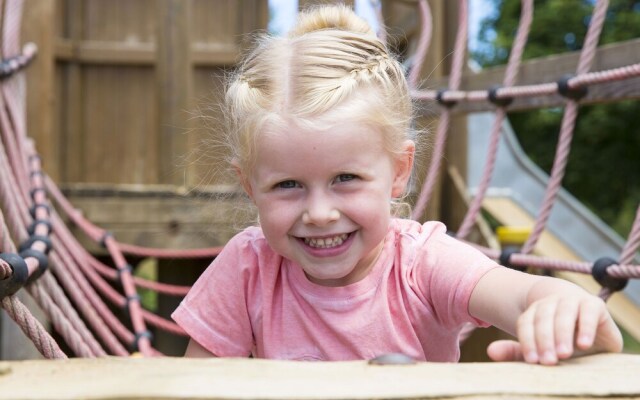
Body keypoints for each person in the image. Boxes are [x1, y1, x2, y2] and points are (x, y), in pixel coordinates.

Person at [172, 5, 622, 365]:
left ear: (399, 171)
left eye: (345, 179)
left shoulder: (421, 264)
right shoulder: (249, 268)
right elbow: (196, 384)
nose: (320, 213)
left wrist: (560, 305)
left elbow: (522, 296)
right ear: (249, 187)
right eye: (288, 185)